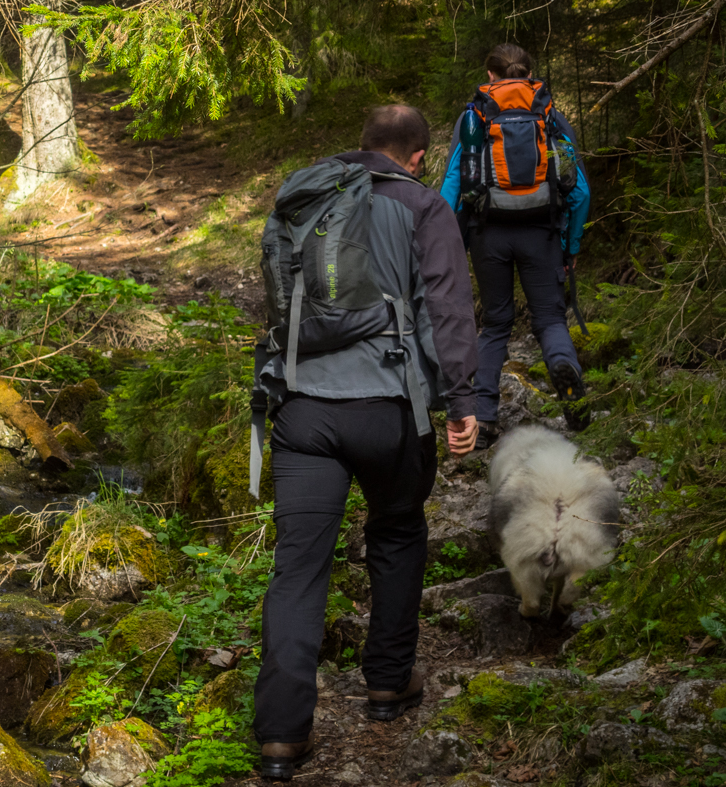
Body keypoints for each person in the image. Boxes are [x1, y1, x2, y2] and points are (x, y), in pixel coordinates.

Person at [252, 105, 479, 782]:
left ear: (361, 146)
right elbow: (446, 305)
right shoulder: (421, 206)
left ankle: (281, 737)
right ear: (415, 156)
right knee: (398, 530)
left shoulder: (306, 194)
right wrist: (461, 400)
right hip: (387, 406)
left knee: (298, 568)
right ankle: (386, 683)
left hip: (302, 410)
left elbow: (277, 298)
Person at [440, 43, 592, 448]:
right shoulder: (550, 116)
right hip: (541, 233)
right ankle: (564, 369)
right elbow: (580, 194)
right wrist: (571, 245)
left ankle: (485, 419)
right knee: (550, 319)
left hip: (487, 233)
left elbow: (453, 187)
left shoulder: (473, 119)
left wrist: (445, 240)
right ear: (529, 73)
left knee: (495, 324)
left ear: (491, 76)